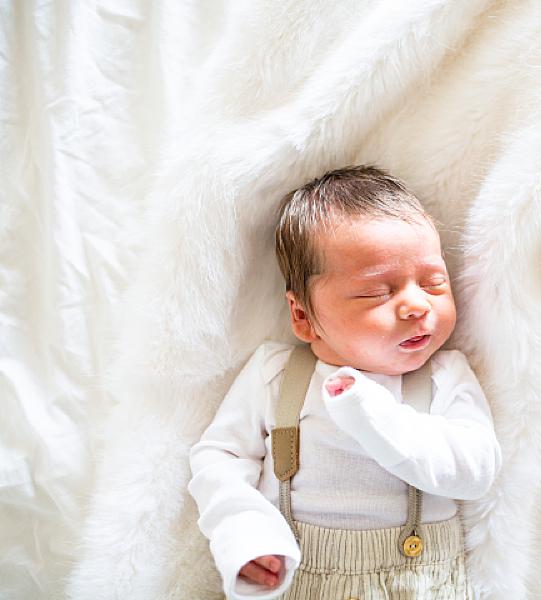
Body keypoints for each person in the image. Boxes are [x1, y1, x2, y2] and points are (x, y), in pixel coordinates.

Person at [188, 165, 502, 599]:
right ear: (302, 316)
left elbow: (476, 470)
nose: (415, 305)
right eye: (377, 292)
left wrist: (376, 416)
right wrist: (245, 534)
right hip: (297, 576)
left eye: (433, 283)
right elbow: (219, 459)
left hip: (418, 581)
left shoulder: (443, 376)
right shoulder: (276, 374)